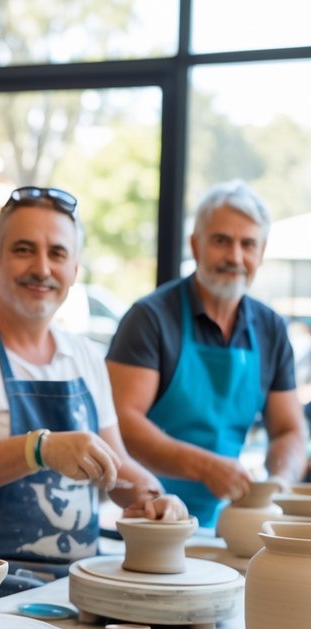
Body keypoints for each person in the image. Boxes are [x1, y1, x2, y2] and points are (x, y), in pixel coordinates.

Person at [0, 186, 186, 582]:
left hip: (75, 584)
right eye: (24, 250)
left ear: (75, 268)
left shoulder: (86, 356)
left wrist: (154, 497)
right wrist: (38, 449)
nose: (42, 268)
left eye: (57, 254)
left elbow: (115, 464)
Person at [106, 181, 306, 525]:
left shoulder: (271, 329)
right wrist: (204, 466)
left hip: (229, 522)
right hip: (149, 516)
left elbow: (290, 429)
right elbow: (122, 423)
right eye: (221, 241)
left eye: (248, 244)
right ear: (195, 245)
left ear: (261, 252)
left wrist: (279, 483)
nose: (235, 257)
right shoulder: (150, 318)